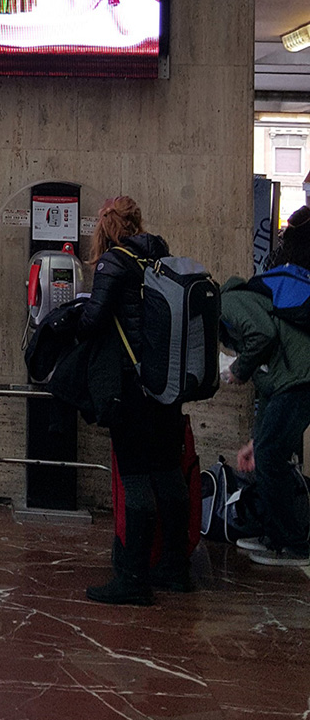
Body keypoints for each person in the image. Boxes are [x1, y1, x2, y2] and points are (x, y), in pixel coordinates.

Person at [74, 196, 192, 605]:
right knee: (167, 473)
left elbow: (93, 319)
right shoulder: (161, 257)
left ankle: (132, 578)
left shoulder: (113, 263)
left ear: (105, 229)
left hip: (131, 386)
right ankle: (176, 569)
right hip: (166, 385)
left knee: (136, 476)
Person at [221, 211, 310, 564]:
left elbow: (263, 334)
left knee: (272, 457)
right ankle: (276, 534)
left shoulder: (229, 302)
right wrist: (254, 443)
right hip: (293, 381)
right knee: (268, 454)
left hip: (300, 380)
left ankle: (294, 543)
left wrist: (238, 370)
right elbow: (269, 386)